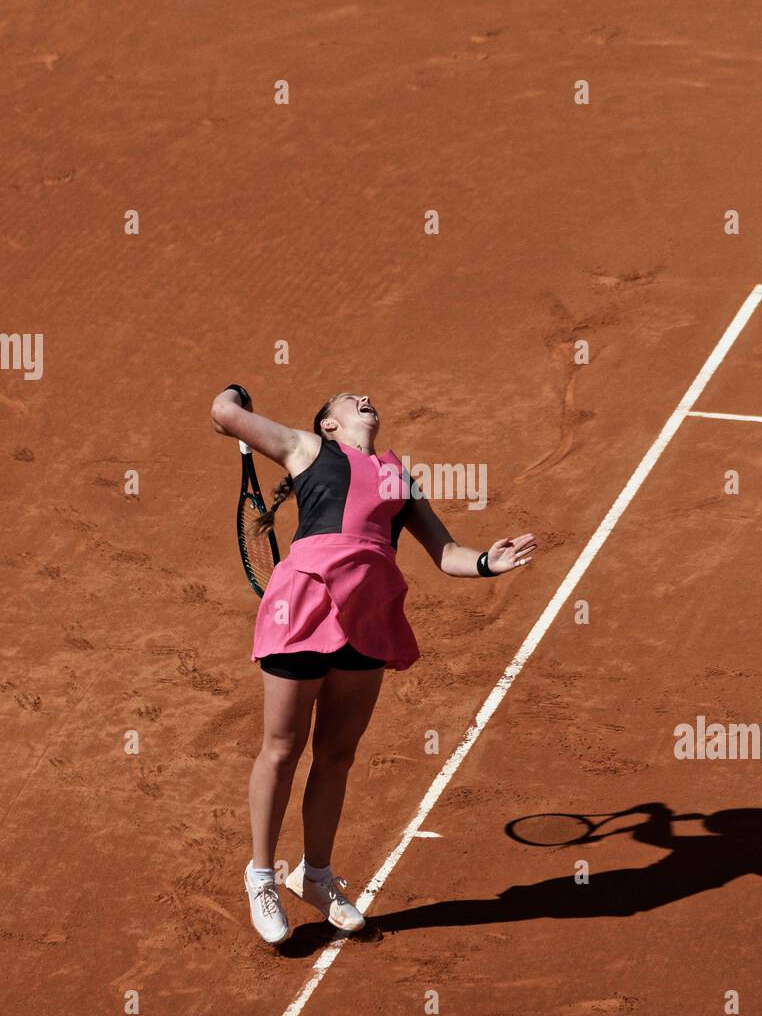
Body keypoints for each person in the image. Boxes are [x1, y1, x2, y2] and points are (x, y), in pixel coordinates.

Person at [210, 386, 537, 945]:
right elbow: (224, 414)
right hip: (305, 606)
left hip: (368, 613)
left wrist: (487, 561)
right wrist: (234, 395)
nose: (362, 398)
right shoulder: (306, 449)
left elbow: (446, 553)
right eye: (346, 398)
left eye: (363, 396)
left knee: (336, 752)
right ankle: (261, 876)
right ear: (328, 425)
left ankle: (315, 876)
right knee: (283, 747)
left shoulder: (397, 478)